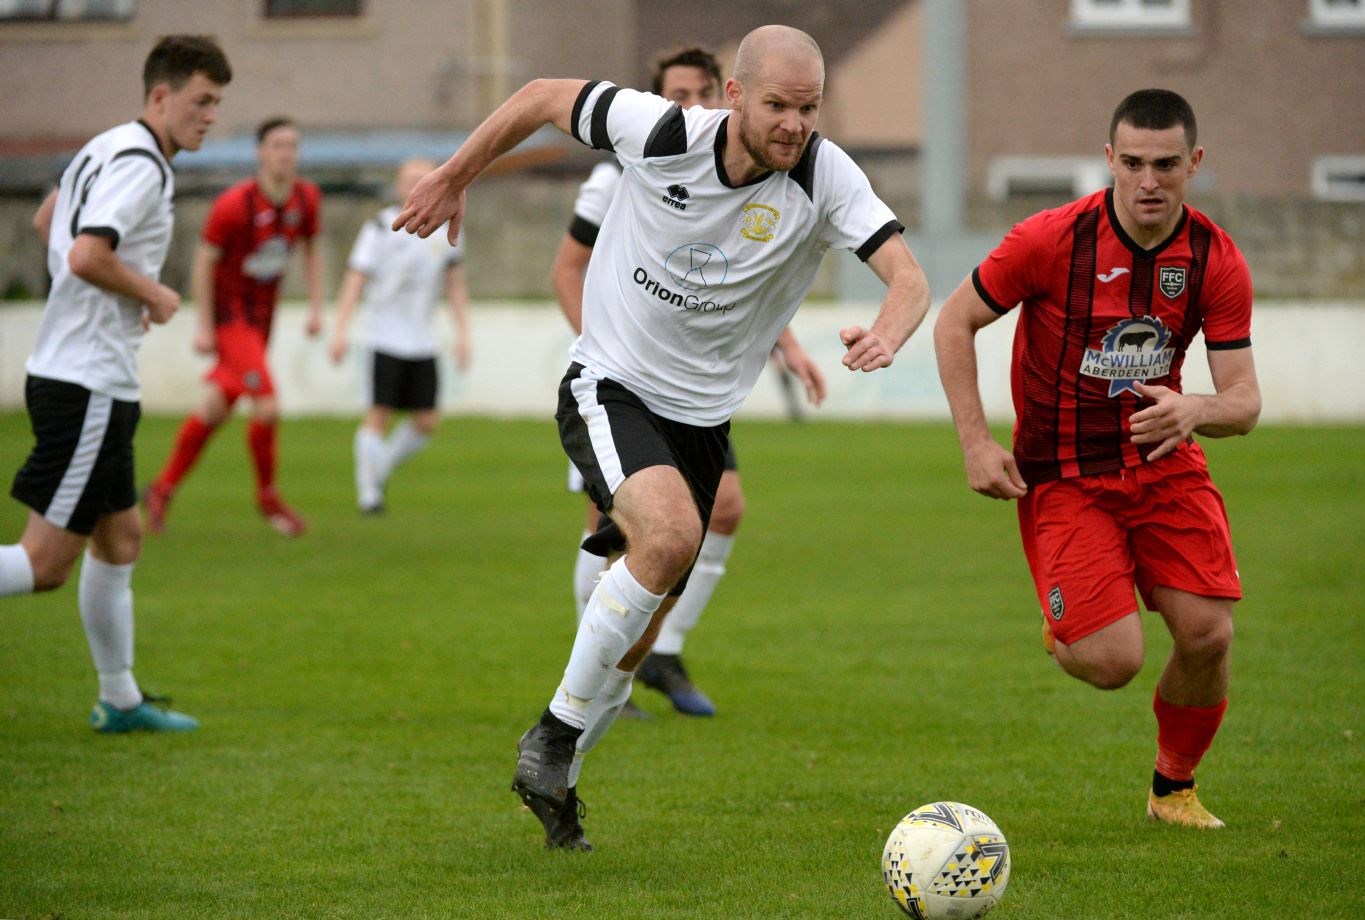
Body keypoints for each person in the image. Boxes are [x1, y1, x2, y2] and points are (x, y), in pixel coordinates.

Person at [396, 24, 930, 850]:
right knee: (674, 534)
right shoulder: (664, 132)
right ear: (735, 96)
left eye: (810, 108)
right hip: (608, 385)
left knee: (635, 639)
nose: (795, 124)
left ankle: (558, 783)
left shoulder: (826, 175)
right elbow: (541, 98)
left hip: (701, 422)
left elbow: (908, 276)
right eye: (779, 105)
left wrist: (891, 332)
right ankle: (552, 734)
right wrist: (454, 175)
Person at [934, 89, 1261, 829]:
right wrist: (976, 441)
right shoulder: (1049, 240)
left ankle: (1171, 789)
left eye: (1167, 164)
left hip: (1162, 463)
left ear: (1194, 163)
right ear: (1109, 159)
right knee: (1111, 662)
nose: (1149, 180)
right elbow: (953, 322)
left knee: (1209, 634)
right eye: (1134, 163)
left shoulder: (1213, 258)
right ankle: (1070, 618)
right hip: (1063, 476)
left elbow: (1243, 401)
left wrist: (1195, 409)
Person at [549, 44, 827, 718]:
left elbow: (739, 278)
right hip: (618, 379)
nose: (692, 106)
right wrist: (611, 346)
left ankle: (659, 650)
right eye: (678, 93)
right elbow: (567, 269)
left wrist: (786, 344)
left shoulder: (743, 171)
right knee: (617, 530)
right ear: (655, 96)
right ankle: (594, 678)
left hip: (695, 386)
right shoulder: (624, 167)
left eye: (703, 91)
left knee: (718, 511)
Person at [0, 35, 232, 732]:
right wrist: (151, 294)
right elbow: (85, 252)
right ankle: (120, 699)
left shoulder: (102, 147)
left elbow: (48, 222)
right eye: (201, 101)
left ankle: (121, 700)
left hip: (84, 376)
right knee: (43, 565)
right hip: (88, 385)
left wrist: (102, 298)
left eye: (217, 104)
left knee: (121, 539)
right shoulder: (144, 167)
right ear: (159, 96)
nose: (210, 117)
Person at [143, 116, 325, 537]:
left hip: (263, 319)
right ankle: (268, 499)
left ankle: (161, 490)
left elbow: (313, 250)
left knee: (214, 407)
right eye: (278, 145)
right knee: (267, 406)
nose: (287, 154)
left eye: (293, 145)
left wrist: (317, 307)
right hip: (231, 319)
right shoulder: (234, 204)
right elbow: (204, 261)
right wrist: (204, 325)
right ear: (260, 152)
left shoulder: (305, 199)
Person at [329, 157, 471, 514]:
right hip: (384, 336)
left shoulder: (445, 227)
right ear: (398, 185)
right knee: (379, 416)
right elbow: (355, 278)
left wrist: (463, 333)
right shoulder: (380, 226)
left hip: (422, 339)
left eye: (423, 179)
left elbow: (454, 283)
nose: (415, 186)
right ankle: (369, 494)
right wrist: (340, 329)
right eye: (409, 180)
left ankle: (380, 468)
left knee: (426, 422)